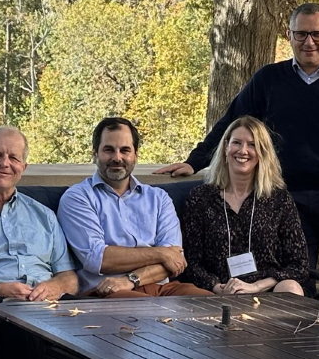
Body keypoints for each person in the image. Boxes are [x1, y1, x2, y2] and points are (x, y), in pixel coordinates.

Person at [155, 3, 319, 267]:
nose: (309, 42)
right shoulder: (269, 79)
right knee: (298, 277)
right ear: (289, 36)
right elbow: (232, 124)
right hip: (284, 196)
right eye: (301, 34)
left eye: (317, 34)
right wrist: (195, 161)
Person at [57, 117, 213, 298]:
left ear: (136, 155)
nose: (117, 158)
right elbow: (99, 259)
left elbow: (175, 259)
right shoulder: (78, 198)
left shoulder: (158, 198)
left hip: (160, 288)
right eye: (108, 150)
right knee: (145, 314)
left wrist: (131, 280)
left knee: (208, 304)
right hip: (106, 292)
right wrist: (161, 253)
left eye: (125, 150)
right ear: (95, 154)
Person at [178, 116, 309, 296]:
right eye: (237, 143)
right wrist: (217, 287)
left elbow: (299, 265)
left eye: (252, 145)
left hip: (267, 292)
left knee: (291, 287)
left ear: (263, 152)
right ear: (226, 148)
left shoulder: (279, 199)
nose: (243, 150)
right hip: (217, 293)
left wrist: (256, 287)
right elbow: (191, 262)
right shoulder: (200, 198)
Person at [0, 126, 79, 300]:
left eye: (13, 158)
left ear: (23, 167)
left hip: (48, 305)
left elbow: (69, 277)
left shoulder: (45, 216)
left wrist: (55, 286)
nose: (4, 163)